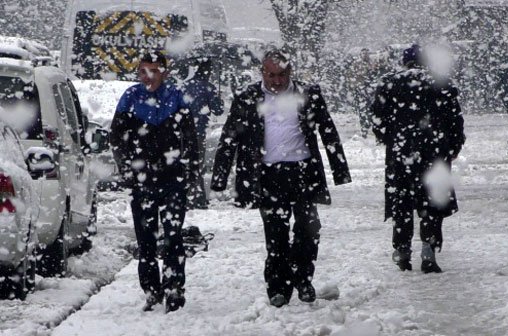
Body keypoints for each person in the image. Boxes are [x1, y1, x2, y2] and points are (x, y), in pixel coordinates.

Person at [210, 49, 351, 307]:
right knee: (275, 233)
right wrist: (219, 179)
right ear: (262, 72)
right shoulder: (247, 97)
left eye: (282, 74)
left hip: (303, 172)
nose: (277, 81)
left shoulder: (308, 94)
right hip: (267, 175)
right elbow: (229, 137)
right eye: (271, 75)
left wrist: (339, 169)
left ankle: (303, 278)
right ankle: (278, 289)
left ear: (291, 72)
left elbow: (327, 130)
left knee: (309, 230)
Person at [110, 52, 198, 313]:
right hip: (142, 180)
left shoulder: (176, 98)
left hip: (172, 179)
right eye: (143, 71)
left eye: (154, 71)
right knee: (146, 239)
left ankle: (174, 289)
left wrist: (190, 172)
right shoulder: (130, 98)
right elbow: (116, 137)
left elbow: (191, 139)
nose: (148, 77)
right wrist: (127, 169)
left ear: (165, 73)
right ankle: (151, 290)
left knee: (173, 237)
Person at [371, 44, 465, 273]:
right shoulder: (442, 84)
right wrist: (453, 145)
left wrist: (390, 138)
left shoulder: (389, 83)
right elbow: (455, 120)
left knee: (401, 201)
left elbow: (377, 120)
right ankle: (429, 249)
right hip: (434, 151)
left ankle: (402, 249)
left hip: (401, 153)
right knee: (432, 201)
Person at [182, 57, 224, 209]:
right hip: (198, 132)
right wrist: (219, 102)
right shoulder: (208, 87)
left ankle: (186, 196)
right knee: (197, 164)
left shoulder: (185, 86)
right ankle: (197, 198)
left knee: (186, 163)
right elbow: (218, 111)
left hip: (182, 131)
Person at [349, 48, 378, 138]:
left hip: (370, 90)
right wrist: (356, 87)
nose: (365, 55)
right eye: (363, 53)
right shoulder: (356, 64)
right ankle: (364, 129)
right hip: (361, 90)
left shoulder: (372, 63)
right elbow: (351, 77)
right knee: (362, 111)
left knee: (371, 110)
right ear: (360, 54)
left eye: (366, 53)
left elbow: (375, 75)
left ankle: (369, 126)